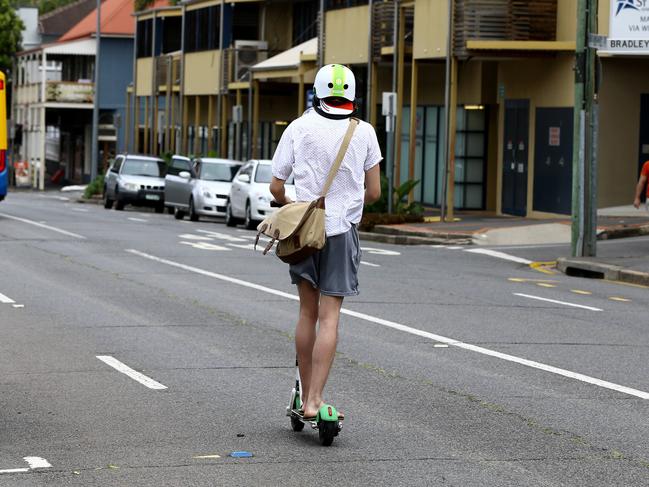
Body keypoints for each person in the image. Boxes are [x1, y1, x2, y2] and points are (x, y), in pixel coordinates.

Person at [270, 64, 382, 420]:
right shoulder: (364, 132)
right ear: (352, 95)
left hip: (304, 232)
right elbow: (375, 192)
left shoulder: (298, 127)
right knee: (329, 318)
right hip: (342, 230)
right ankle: (316, 399)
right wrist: (348, 203)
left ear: (316, 92)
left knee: (306, 312)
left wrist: (296, 206)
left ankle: (303, 397)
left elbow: (276, 186)